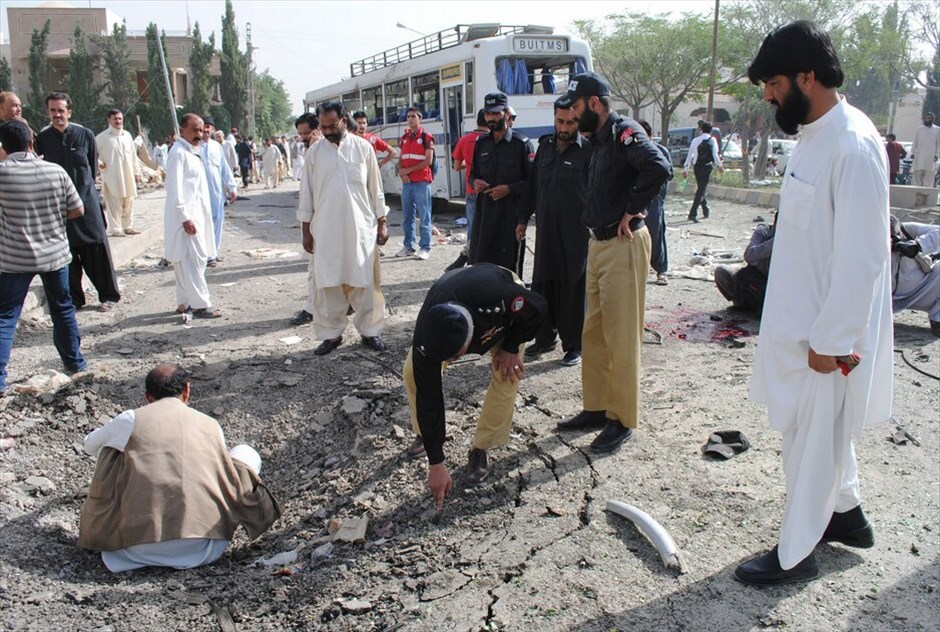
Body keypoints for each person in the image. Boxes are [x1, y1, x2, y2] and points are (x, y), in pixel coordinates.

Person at [735, 21, 894, 587]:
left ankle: (796, 551)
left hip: (825, 337)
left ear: (808, 76)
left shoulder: (852, 145)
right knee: (814, 435)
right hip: (797, 328)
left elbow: (863, 258)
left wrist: (834, 342)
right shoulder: (815, 135)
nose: (769, 96)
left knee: (810, 443)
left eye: (774, 83)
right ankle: (847, 516)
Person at [555, 72, 671, 453]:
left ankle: (621, 419)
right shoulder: (596, 141)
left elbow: (658, 166)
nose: (571, 114)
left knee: (621, 338)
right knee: (594, 333)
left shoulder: (624, 132)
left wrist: (634, 208)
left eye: (575, 106)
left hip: (622, 244)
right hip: (599, 244)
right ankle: (597, 407)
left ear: (594, 103)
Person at [78, 364, 280, 572]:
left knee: (111, 451)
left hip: (129, 550)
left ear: (147, 397)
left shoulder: (131, 419)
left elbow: (89, 446)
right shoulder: (210, 424)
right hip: (204, 547)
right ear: (187, 390)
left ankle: (104, 524)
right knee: (244, 453)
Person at [404, 264, 547, 505]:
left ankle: (482, 448)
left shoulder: (500, 296)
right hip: (456, 290)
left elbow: (537, 308)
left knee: (507, 375)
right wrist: (436, 462)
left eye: (452, 358)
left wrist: (511, 347)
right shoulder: (426, 333)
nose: (448, 363)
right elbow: (430, 397)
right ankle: (424, 435)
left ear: (468, 344)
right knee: (412, 374)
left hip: (500, 304)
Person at [0, 119, 87, 395]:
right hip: (55, 255)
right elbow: (77, 210)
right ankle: (76, 364)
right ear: (31, 142)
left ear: (4, 147)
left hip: (14, 259)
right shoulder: (55, 171)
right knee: (62, 308)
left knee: (6, 317)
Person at [297, 101, 388, 355]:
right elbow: (307, 195)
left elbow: (375, 189)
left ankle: (370, 332)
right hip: (325, 230)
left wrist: (382, 222)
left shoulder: (363, 148)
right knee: (328, 284)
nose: (326, 131)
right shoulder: (314, 154)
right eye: (323, 127)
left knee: (365, 282)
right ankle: (331, 334)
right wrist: (306, 230)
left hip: (360, 229)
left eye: (331, 126)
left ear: (343, 121)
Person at [516, 95, 591, 366]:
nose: (565, 128)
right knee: (543, 284)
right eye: (560, 121)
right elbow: (532, 187)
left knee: (572, 288)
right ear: (554, 119)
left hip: (576, 234)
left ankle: (574, 346)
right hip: (546, 231)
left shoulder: (588, 150)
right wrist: (523, 219)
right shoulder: (545, 146)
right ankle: (545, 338)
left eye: (571, 122)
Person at [35, 92, 122, 312]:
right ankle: (75, 299)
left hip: (87, 204)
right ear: (48, 112)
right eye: (53, 110)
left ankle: (108, 296)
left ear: (69, 112)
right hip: (59, 209)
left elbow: (92, 170)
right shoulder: (43, 139)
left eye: (61, 110)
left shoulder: (85, 134)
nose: (57, 115)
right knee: (68, 255)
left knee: (97, 250)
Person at [164, 114, 221, 319]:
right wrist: (184, 217)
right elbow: (174, 189)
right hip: (187, 219)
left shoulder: (191, 152)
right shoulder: (178, 153)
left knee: (187, 262)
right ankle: (200, 305)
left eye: (201, 130)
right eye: (194, 130)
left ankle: (184, 303)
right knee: (192, 262)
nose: (199, 134)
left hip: (196, 215)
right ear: (183, 130)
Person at [469, 93, 533, 273]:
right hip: (484, 218)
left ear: (506, 113)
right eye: (488, 114)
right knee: (480, 270)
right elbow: (472, 174)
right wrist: (476, 182)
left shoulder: (521, 144)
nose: (491, 118)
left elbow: (533, 183)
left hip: (510, 220)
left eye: (495, 114)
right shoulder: (481, 143)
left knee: (509, 273)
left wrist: (509, 189)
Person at [289, 112, 321, 327]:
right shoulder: (311, 152)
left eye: (307, 133)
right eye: (300, 134)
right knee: (314, 268)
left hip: (334, 219)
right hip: (317, 219)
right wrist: (305, 228)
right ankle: (312, 307)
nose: (303, 137)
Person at [446, 109, 488, 271]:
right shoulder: (491, 139)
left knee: (473, 227)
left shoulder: (465, 140)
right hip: (490, 191)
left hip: (472, 190)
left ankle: (472, 260)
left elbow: (457, 166)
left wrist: (469, 166)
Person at [889, 216, 939, 334]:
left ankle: (938, 319)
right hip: (881, 297)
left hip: (919, 291)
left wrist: (918, 245)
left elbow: (938, 232)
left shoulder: (908, 229)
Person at [95, 108, 140, 237]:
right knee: (114, 202)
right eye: (115, 119)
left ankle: (128, 226)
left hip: (128, 174)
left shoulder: (127, 135)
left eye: (120, 118)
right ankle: (116, 229)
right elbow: (91, 153)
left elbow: (133, 156)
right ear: (109, 120)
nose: (118, 121)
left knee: (129, 200)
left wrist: (136, 172)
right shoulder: (102, 137)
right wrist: (100, 164)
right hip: (112, 175)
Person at [397, 106, 434, 260]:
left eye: (413, 116)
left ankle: (425, 247)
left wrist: (408, 170)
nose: (410, 119)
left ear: (420, 118)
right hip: (407, 183)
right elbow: (400, 158)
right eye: (408, 116)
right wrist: (402, 172)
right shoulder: (404, 138)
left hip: (421, 182)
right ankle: (409, 246)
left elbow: (428, 160)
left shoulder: (426, 137)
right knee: (407, 217)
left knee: (424, 216)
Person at [199, 116, 238, 267]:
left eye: (209, 126)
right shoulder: (194, 147)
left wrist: (232, 187)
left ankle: (214, 252)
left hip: (216, 192)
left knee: (217, 220)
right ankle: (207, 255)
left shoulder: (216, 147)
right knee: (204, 222)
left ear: (213, 129)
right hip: (201, 192)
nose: (207, 129)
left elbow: (225, 169)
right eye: (204, 126)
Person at [714, 222, 775, 317]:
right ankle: (741, 303)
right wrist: (775, 241)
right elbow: (749, 255)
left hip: (772, 286)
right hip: (753, 276)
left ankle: (761, 307)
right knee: (722, 271)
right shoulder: (764, 231)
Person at [639, 119, 673, 285]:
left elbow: (668, 173)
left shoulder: (660, 151)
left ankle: (661, 270)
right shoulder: (632, 150)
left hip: (655, 198)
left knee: (656, 231)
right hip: (637, 198)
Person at [684, 119, 723, 222]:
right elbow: (715, 155)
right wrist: (720, 166)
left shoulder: (695, 140)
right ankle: (692, 214)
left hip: (697, 167)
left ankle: (706, 211)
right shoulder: (712, 140)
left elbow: (689, 155)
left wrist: (686, 168)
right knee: (701, 190)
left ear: (701, 130)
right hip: (706, 167)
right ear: (711, 131)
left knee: (701, 189)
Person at [910, 112, 939, 187]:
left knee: (929, 175)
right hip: (920, 156)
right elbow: (915, 142)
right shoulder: (920, 129)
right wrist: (912, 152)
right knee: (918, 175)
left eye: (930, 118)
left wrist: (937, 155)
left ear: (932, 119)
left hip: (931, 157)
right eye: (927, 118)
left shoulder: (937, 130)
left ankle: (927, 191)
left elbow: (938, 143)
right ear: (924, 119)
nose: (928, 119)